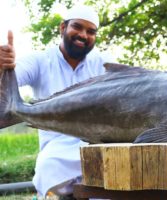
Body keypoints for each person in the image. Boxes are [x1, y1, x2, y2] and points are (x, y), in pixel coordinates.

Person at [0, 5, 115, 199]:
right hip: (55, 148)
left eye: (91, 31)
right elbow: (10, 79)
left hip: (98, 142)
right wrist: (3, 67)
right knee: (47, 170)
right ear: (62, 28)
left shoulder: (105, 62)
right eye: (77, 27)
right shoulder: (40, 60)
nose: (83, 35)